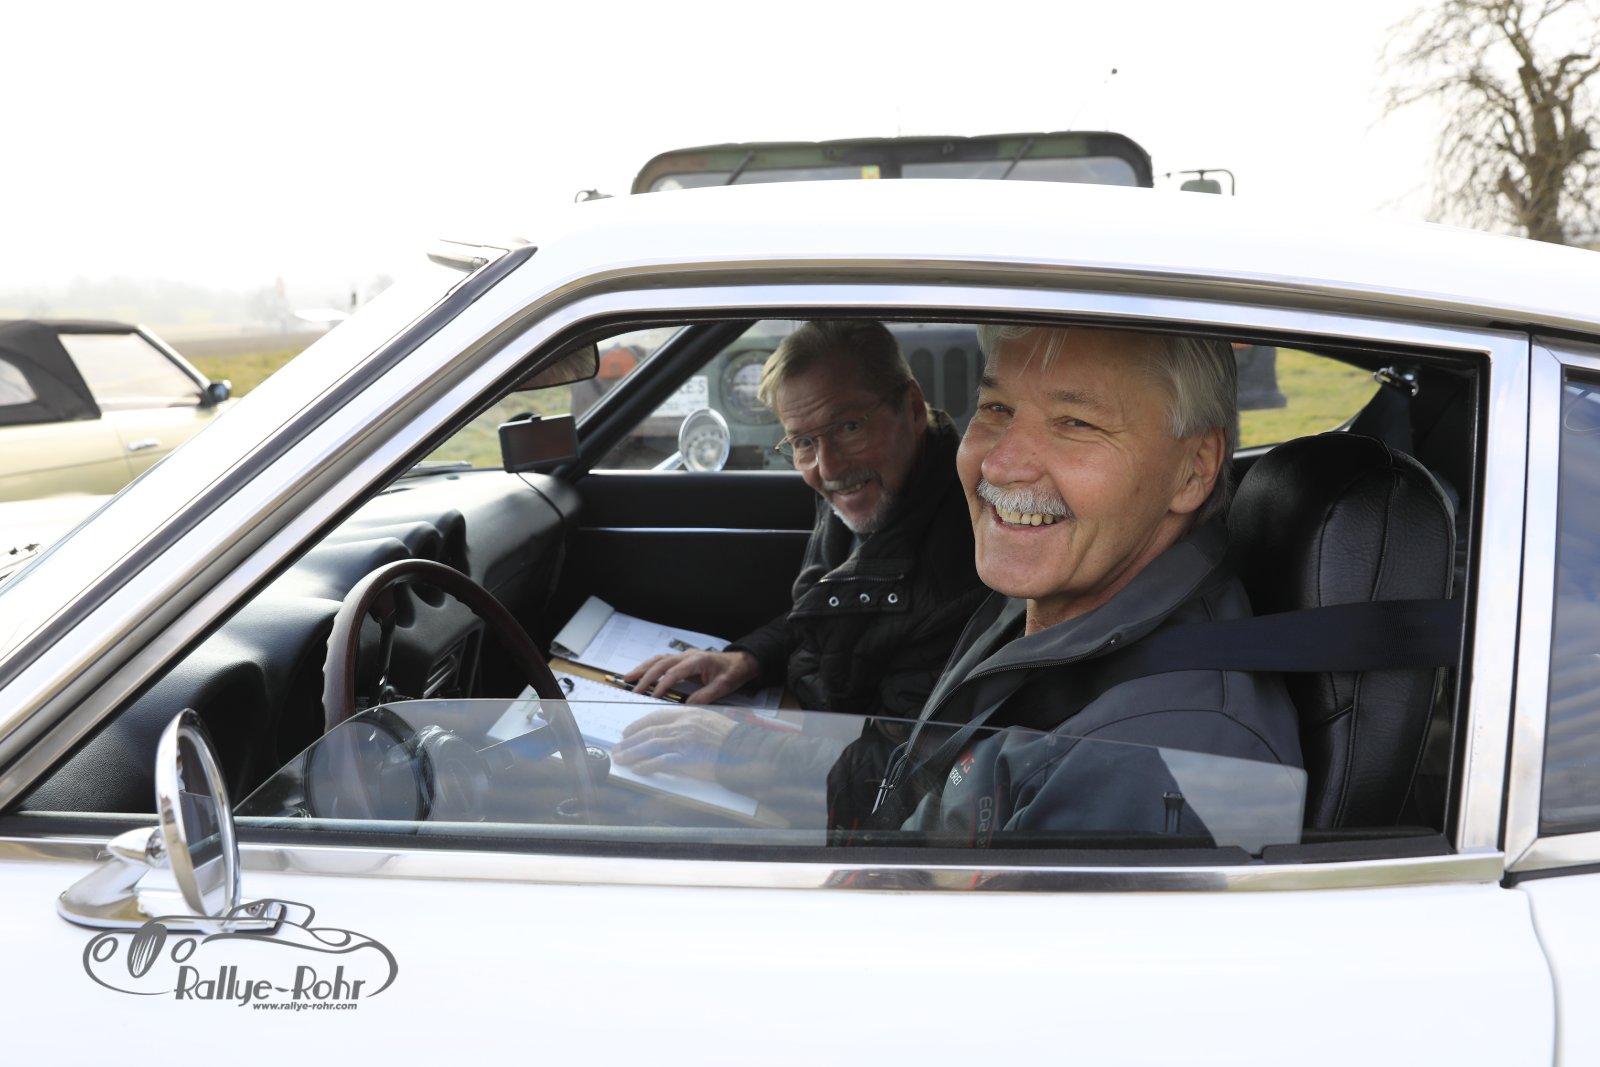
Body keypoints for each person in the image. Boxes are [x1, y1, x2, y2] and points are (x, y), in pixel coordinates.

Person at [869, 324, 1303, 841]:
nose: (999, 465)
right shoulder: (1069, 598)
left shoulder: (1148, 758)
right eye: (996, 408)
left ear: (1194, 469)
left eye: (1075, 423)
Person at [615, 320, 987, 816]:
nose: (826, 469)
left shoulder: (965, 566)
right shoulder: (883, 486)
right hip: (814, 733)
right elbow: (834, 608)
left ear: (913, 409)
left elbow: (905, 774)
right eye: (802, 443)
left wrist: (733, 748)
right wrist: (749, 658)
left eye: (849, 427)